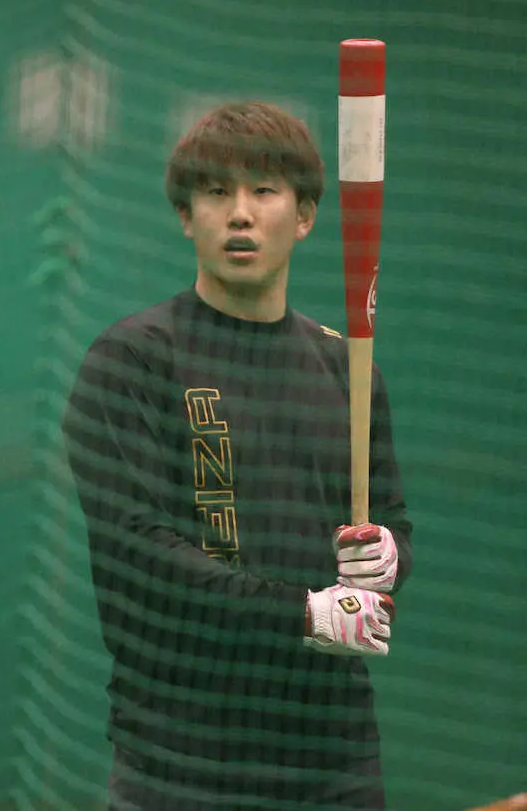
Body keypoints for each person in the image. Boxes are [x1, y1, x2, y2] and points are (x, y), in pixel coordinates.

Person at [61, 101, 413, 810]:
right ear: (187, 217)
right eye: (216, 192)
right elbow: (138, 552)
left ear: (306, 215)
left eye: (263, 191)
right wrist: (303, 614)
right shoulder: (134, 359)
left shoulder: (349, 372)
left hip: (332, 757)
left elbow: (392, 518)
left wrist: (389, 558)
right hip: (179, 757)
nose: (240, 214)